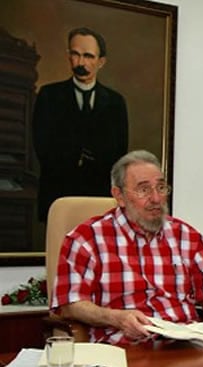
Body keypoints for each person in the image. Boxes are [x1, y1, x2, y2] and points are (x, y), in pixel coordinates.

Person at [51, 150, 203, 346]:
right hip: (126, 350)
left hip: (187, 347)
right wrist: (116, 318)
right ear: (119, 196)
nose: (156, 198)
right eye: (144, 190)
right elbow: (70, 305)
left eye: (161, 188)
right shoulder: (86, 239)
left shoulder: (188, 237)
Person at [33, 26, 128, 221]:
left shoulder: (115, 102)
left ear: (101, 62)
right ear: (68, 55)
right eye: (75, 54)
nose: (81, 62)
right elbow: (41, 146)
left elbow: (119, 153)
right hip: (58, 196)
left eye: (88, 56)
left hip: (99, 199)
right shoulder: (49, 96)